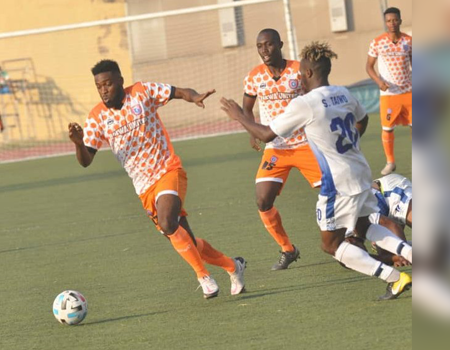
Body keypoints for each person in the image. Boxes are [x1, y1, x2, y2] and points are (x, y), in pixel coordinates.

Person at [221, 42, 413, 300]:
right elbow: (363, 119)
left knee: (331, 245)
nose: (298, 75)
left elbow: (266, 134)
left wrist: (240, 116)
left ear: (309, 73)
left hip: (338, 181)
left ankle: (394, 278)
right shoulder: (343, 93)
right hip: (360, 170)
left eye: (301, 72)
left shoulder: (306, 103)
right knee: (364, 226)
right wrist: (349, 143)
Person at [68, 59, 246, 299]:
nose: (104, 90)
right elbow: (85, 160)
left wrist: (193, 97)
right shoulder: (97, 117)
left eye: (108, 84)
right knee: (187, 241)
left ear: (120, 81)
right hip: (143, 187)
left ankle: (204, 277)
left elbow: (178, 92)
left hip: (167, 170)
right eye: (99, 87)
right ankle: (233, 266)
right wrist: (79, 143)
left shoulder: (141, 92)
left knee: (167, 222)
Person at [242, 29, 321, 270]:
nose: (264, 50)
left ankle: (351, 238)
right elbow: (247, 108)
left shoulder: (299, 70)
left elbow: (316, 98)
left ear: (280, 45)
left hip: (306, 143)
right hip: (275, 147)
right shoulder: (254, 77)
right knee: (262, 200)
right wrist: (253, 131)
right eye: (259, 46)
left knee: (334, 191)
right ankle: (288, 249)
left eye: (268, 45)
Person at [365, 7, 412, 175]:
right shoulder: (377, 42)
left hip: (408, 91)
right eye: (388, 21)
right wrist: (378, 81)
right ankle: (390, 161)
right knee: (387, 127)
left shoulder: (409, 41)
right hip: (389, 94)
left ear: (400, 20)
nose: (392, 23)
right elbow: (369, 66)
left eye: (395, 20)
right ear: (385, 23)